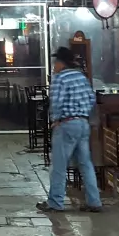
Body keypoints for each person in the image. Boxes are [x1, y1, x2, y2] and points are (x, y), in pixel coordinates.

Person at [38, 47, 102, 214]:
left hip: (66, 124)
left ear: (61, 63)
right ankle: (94, 201)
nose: (54, 66)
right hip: (83, 123)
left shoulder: (60, 78)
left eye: (55, 62)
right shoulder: (82, 77)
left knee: (59, 165)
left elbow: (56, 102)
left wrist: (55, 120)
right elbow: (91, 99)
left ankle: (55, 202)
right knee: (86, 164)